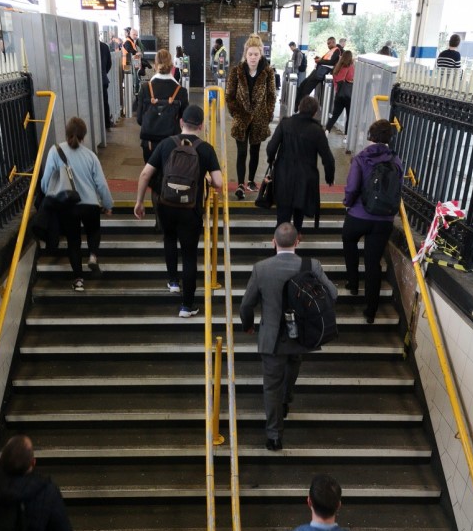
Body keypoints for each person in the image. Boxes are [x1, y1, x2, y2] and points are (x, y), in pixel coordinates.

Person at [239, 222, 337, 450]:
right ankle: (286, 400)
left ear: (273, 242)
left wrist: (248, 325)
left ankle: (274, 435)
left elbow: (246, 305)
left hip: (272, 339)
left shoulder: (261, 268)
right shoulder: (311, 265)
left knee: (270, 387)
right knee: (292, 369)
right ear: (297, 241)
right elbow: (333, 293)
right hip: (301, 337)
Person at [134, 104, 223, 317]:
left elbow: (145, 174)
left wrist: (139, 202)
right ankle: (186, 305)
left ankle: (173, 281)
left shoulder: (166, 144)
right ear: (201, 126)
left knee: (169, 238)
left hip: (166, 204)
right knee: (190, 255)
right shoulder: (205, 148)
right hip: (190, 209)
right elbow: (219, 182)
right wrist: (208, 180)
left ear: (181, 122)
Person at [342, 118, 403, 324]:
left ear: (370, 136)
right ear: (389, 139)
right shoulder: (396, 161)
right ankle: (371, 311)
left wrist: (347, 203)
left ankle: (352, 283)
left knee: (349, 239)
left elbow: (352, 187)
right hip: (384, 219)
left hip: (359, 215)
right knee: (373, 263)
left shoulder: (361, 158)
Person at [41, 117, 113, 292]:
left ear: (66, 133)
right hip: (90, 205)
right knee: (93, 231)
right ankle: (93, 256)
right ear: (84, 136)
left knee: (73, 242)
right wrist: (107, 204)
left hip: (68, 206)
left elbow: (45, 181)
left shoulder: (55, 151)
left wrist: (49, 195)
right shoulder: (91, 156)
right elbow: (101, 184)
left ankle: (79, 281)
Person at [266, 96, 335, 236]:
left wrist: (271, 161)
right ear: (315, 112)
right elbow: (328, 158)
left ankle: (279, 248)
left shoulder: (285, 124)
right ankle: (296, 237)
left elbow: (271, 147)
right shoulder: (317, 130)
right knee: (299, 212)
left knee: (282, 217)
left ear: (299, 108)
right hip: (306, 179)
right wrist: (329, 177)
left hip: (284, 176)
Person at [226, 33, 276, 200]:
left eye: (256, 54)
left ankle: (251, 181)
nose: (253, 57)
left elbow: (271, 96)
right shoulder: (236, 71)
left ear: (261, 54)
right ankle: (240, 184)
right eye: (250, 54)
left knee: (255, 152)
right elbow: (229, 95)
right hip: (241, 118)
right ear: (245, 54)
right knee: (242, 152)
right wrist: (235, 112)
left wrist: (268, 114)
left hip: (260, 118)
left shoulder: (268, 72)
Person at [136, 48, 189, 163]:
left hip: (150, 143)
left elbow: (140, 119)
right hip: (173, 143)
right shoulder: (181, 91)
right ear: (172, 67)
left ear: (155, 66)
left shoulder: (145, 88)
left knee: (151, 176)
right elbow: (185, 121)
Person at [295, 36, 340, 110]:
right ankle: (296, 103)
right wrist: (319, 59)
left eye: (329, 43)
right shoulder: (331, 50)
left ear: (334, 42)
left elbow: (332, 62)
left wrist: (320, 61)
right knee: (302, 85)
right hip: (317, 70)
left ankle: (299, 107)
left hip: (320, 73)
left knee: (306, 90)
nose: (328, 45)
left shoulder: (337, 50)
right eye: (327, 43)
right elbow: (326, 60)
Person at [325, 50, 355, 138]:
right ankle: (346, 135)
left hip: (339, 94)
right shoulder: (351, 67)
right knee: (349, 116)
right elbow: (350, 78)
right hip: (348, 96)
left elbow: (335, 80)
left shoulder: (338, 66)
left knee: (335, 114)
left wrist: (337, 89)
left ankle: (327, 130)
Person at [122, 27, 144, 94]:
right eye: (135, 35)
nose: (136, 36)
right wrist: (138, 53)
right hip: (127, 63)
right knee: (129, 81)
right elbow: (131, 51)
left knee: (133, 80)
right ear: (131, 34)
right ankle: (131, 96)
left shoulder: (132, 41)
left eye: (137, 35)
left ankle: (133, 95)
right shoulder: (127, 41)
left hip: (131, 63)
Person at [99, 40, 112, 131]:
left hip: (90, 82)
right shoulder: (104, 46)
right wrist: (104, 73)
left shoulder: (87, 45)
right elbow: (109, 64)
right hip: (103, 80)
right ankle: (107, 124)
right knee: (104, 103)